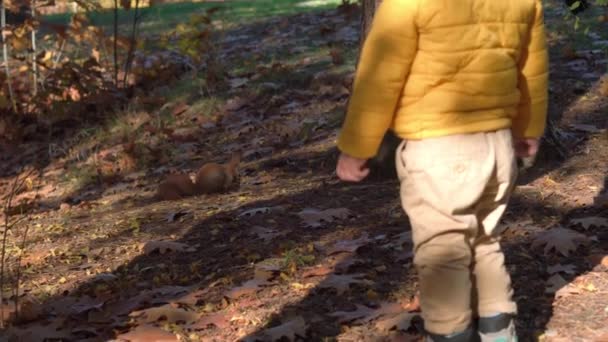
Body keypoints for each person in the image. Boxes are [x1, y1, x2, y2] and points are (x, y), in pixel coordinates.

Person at [335, 0, 548, 341]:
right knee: (484, 239)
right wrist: (528, 128)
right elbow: (531, 69)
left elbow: (380, 76)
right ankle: (499, 333)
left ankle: (451, 334)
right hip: (497, 144)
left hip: (438, 147)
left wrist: (357, 148)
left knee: (443, 251)